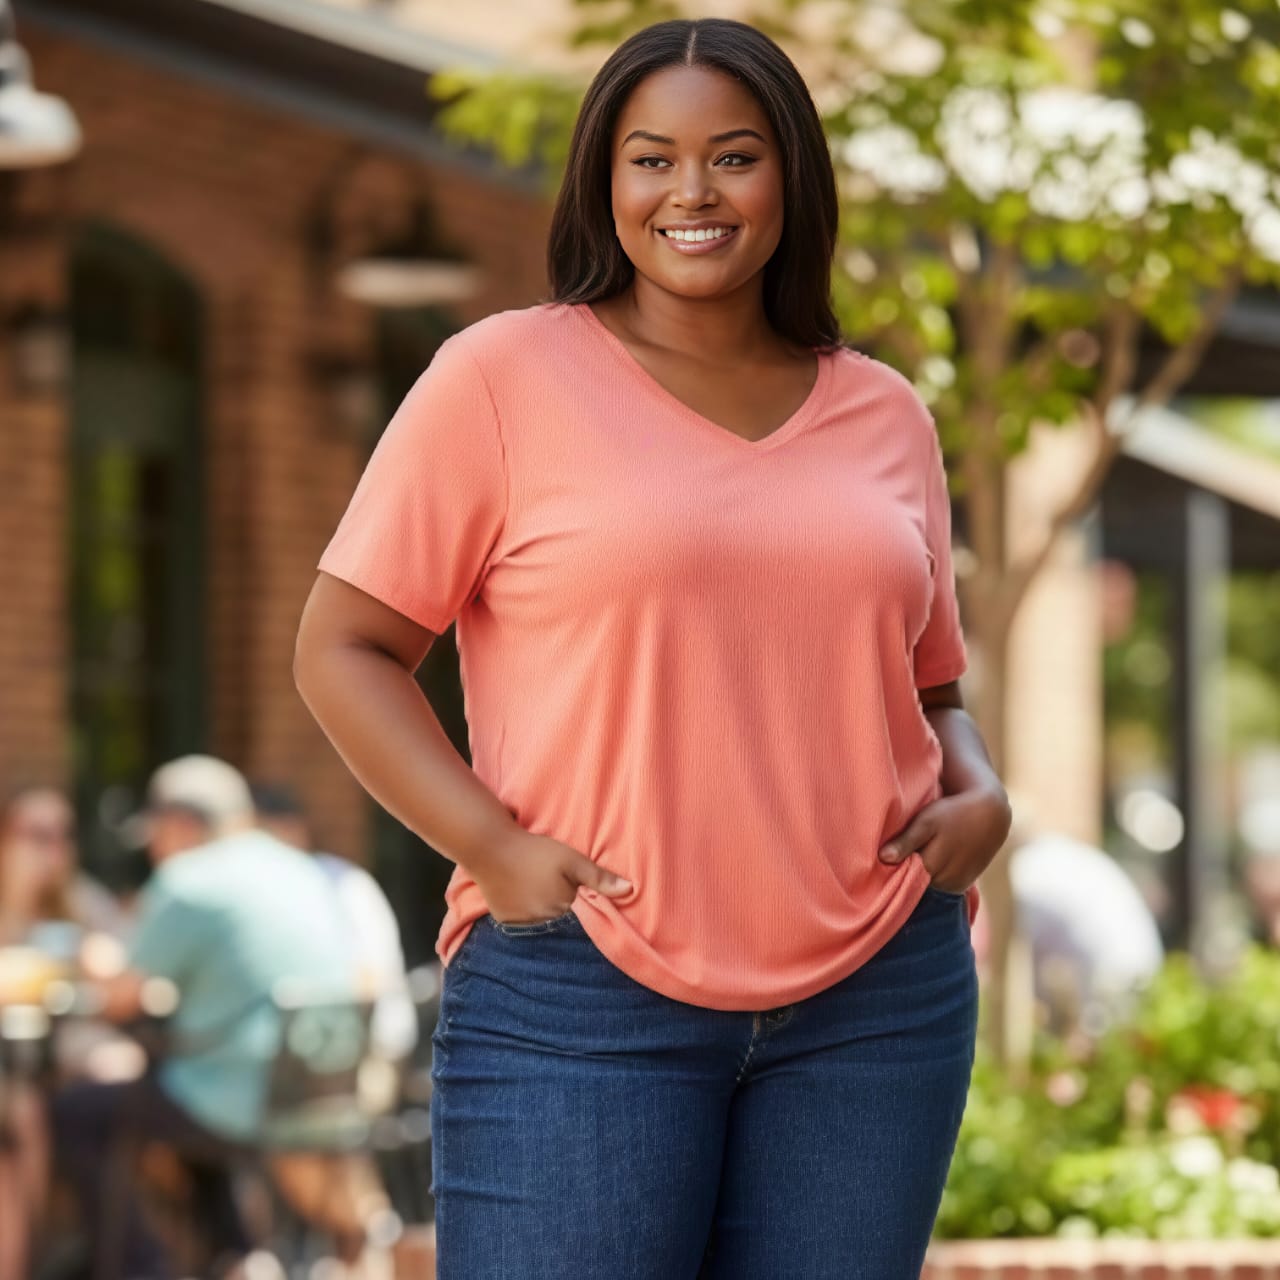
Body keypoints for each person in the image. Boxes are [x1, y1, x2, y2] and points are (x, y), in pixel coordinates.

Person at [295, 18, 1011, 1279]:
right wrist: (487, 845)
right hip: (580, 986)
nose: (690, 192)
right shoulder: (499, 377)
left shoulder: (885, 411)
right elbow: (343, 647)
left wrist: (980, 788)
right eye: (649, 159)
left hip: (875, 996)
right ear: (602, 182)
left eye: (731, 156)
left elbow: (928, 680)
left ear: (789, 176)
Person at [49, 755, 360, 1280]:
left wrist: (93, 961)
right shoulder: (300, 866)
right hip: (321, 1089)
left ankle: (144, 1268)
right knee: (179, 1106)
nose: (153, 850)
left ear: (180, 824)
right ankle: (235, 1256)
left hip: (239, 1095)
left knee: (77, 1114)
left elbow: (120, 998)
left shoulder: (190, 878)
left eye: (155, 834)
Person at [251, 782, 417, 1066]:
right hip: (310, 1049)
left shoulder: (340, 882)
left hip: (361, 1053)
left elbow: (369, 980)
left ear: (292, 830)